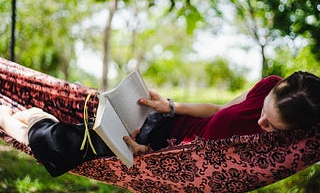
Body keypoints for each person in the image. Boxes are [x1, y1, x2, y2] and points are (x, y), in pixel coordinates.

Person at [0, 71, 319, 177]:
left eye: (272, 127)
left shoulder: (286, 148)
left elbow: (197, 163)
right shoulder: (271, 84)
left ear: (295, 131)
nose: (261, 122)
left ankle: (25, 121)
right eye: (264, 111)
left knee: (76, 146)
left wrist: (149, 151)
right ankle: (38, 120)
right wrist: (170, 105)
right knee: (93, 127)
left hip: (165, 151)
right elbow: (219, 108)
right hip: (163, 125)